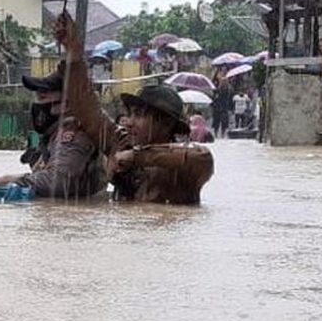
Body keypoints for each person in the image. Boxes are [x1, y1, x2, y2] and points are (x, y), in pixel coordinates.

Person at [58, 16, 214, 205]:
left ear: (166, 123)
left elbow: (202, 157)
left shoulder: (185, 166)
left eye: (139, 115)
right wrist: (73, 52)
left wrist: (138, 158)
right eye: (130, 113)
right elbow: (87, 109)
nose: (129, 122)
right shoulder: (121, 143)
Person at [0, 64, 105, 199]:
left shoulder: (72, 135)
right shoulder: (57, 133)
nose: (38, 106)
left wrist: (12, 179)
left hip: (68, 214)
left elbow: (58, 183)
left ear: (66, 104)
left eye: (43, 98)